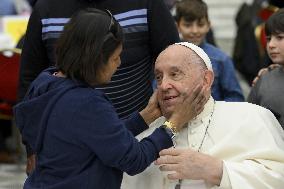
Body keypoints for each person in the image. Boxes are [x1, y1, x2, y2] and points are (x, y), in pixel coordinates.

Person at [13, 9, 206, 189]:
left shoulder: (47, 81)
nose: (119, 64)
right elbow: (133, 159)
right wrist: (174, 124)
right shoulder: (86, 102)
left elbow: (100, 136)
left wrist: (146, 116)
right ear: (94, 59)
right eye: (115, 58)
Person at [121, 42, 284, 189]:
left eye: (175, 74)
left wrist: (218, 170)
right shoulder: (146, 135)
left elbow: (279, 178)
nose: (163, 85)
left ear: (206, 79)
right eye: (158, 77)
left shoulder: (251, 117)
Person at [175, 0, 244, 102]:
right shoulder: (168, 58)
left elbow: (235, 97)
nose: (195, 31)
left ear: (208, 25)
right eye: (188, 25)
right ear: (178, 26)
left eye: (200, 24)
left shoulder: (221, 59)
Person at [248, 8, 284, 128]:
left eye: (279, 37)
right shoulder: (264, 80)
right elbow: (249, 122)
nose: (271, 45)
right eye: (268, 39)